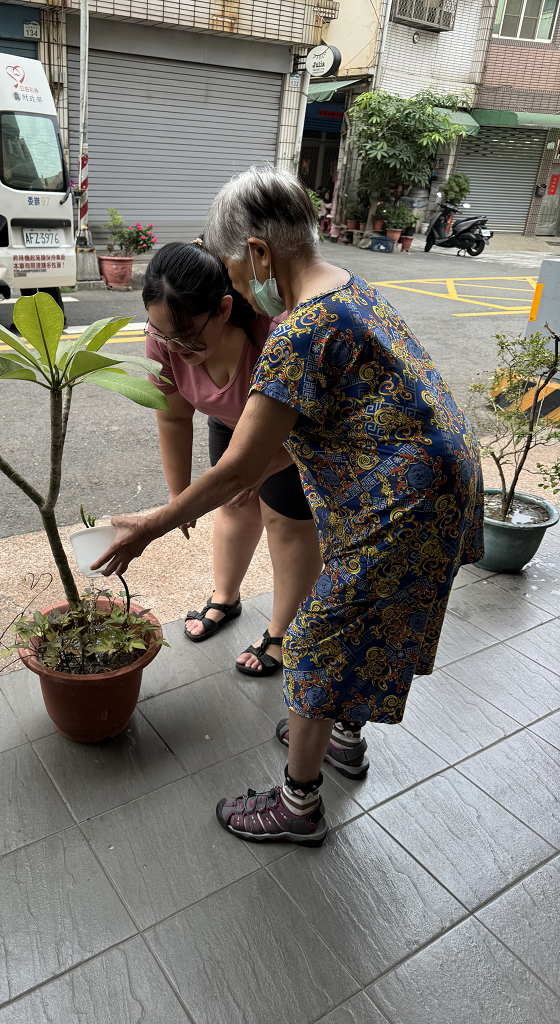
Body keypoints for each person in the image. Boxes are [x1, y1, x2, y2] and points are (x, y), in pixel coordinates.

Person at [93, 166, 484, 846]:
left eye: (232, 269)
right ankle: (340, 737)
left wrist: (151, 526)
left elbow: (242, 464)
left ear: (259, 254)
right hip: (437, 481)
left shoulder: (298, 331)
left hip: (403, 500)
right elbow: (265, 450)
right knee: (363, 622)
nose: (233, 286)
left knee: (316, 639)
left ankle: (298, 805)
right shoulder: (348, 290)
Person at [142, 241, 322, 675]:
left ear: (223, 309)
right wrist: (178, 495)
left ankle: (282, 632)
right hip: (229, 421)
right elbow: (173, 418)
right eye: (162, 335)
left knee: (287, 524)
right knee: (233, 506)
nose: (173, 349)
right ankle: (226, 596)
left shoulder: (273, 331)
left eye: (185, 338)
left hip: (295, 430)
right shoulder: (162, 339)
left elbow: (309, 425)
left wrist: (259, 469)